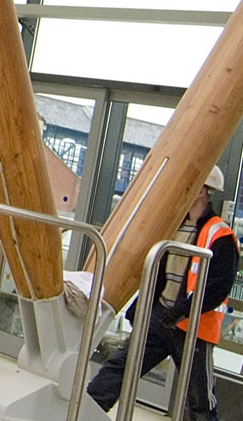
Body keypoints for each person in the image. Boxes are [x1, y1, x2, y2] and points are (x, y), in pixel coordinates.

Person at [85, 165, 238, 421]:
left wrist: (183, 310)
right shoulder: (174, 227)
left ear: (202, 190)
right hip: (161, 318)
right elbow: (159, 273)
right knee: (119, 368)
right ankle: (84, 413)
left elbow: (218, 286)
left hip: (194, 328)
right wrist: (141, 305)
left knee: (200, 398)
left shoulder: (220, 235)